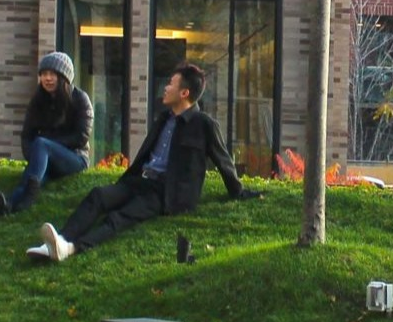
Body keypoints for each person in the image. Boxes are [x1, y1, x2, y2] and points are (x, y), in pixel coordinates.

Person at [29, 62, 257, 262]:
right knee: (98, 196)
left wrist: (238, 191)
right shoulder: (164, 118)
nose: (165, 88)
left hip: (164, 192)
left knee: (118, 217)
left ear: (184, 92)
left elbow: (223, 161)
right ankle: (59, 241)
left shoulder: (204, 124)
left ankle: (71, 249)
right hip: (140, 181)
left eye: (171, 84)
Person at [0, 51, 93, 216]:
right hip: (46, 157)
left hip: (75, 158)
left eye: (52, 74)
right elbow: (27, 135)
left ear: (64, 77)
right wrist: (34, 156)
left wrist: (47, 147)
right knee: (36, 169)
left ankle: (28, 196)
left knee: (41, 143)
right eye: (44, 74)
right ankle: (10, 205)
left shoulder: (80, 99)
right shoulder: (37, 100)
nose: (47, 78)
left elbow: (81, 137)